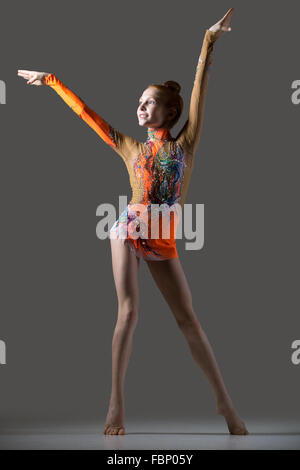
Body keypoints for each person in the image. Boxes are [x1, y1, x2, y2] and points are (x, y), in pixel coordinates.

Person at [17, 7, 249, 436]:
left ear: (168, 111)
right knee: (127, 313)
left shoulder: (187, 142)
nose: (140, 107)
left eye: (149, 103)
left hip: (161, 235)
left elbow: (200, 89)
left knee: (188, 319)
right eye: (140, 102)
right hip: (128, 229)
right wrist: (52, 81)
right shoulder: (128, 147)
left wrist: (209, 39)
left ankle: (225, 404)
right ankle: (115, 406)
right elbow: (87, 114)